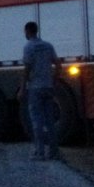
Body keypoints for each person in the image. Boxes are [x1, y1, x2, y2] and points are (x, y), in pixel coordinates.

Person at [21, 21, 62, 161]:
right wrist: (55, 81)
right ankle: (54, 152)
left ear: (28, 31)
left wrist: (22, 88)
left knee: (36, 120)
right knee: (49, 120)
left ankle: (39, 152)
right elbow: (58, 64)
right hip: (48, 87)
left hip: (35, 88)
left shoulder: (28, 47)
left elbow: (26, 69)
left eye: (25, 32)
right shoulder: (48, 45)